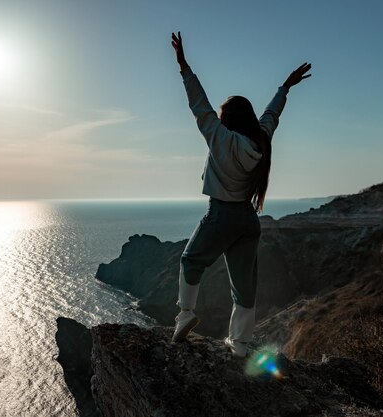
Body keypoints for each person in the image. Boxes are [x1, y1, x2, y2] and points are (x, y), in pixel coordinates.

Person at [169, 31, 312, 357]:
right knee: (243, 287)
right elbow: (272, 115)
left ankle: (186, 315)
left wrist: (183, 66)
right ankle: (241, 343)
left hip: (220, 215)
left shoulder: (218, 137)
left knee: (191, 261)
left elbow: (198, 104)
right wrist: (285, 87)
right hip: (248, 221)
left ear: (226, 119)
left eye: (220, 115)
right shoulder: (261, 141)